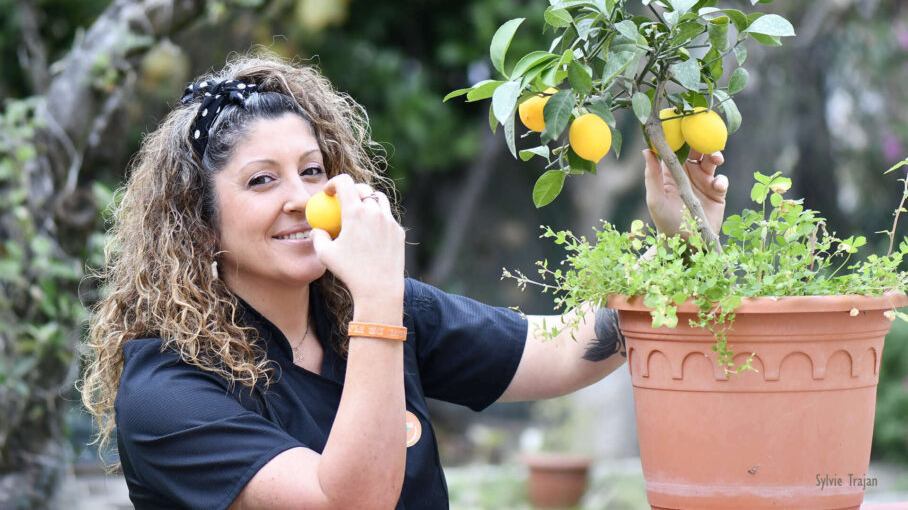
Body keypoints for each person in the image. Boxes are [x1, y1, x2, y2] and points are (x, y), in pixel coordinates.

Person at [80, 52, 728, 510]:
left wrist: (684, 238)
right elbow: (350, 501)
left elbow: (564, 349)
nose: (304, 199)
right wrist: (379, 300)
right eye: (261, 179)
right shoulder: (168, 388)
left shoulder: (370, 311)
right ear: (201, 222)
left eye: (312, 170)